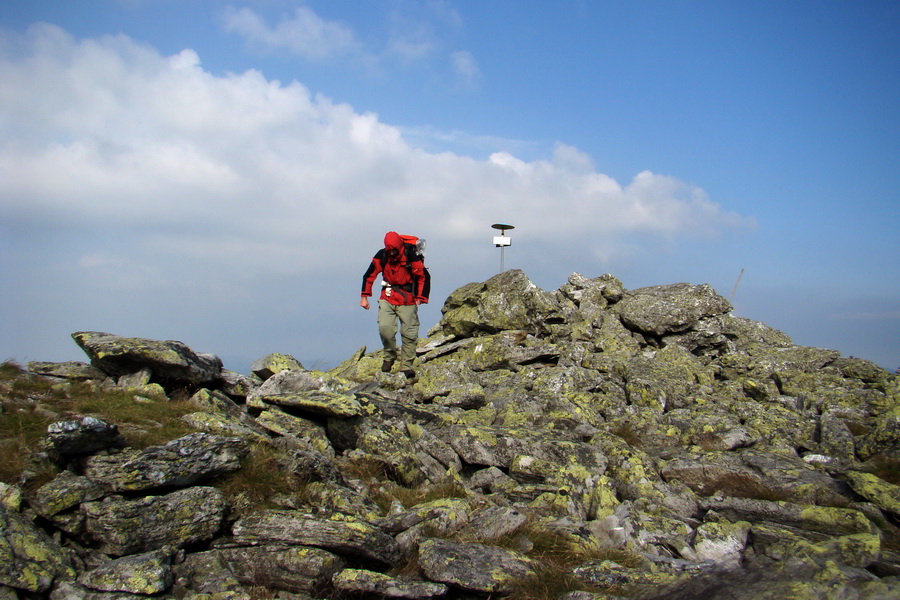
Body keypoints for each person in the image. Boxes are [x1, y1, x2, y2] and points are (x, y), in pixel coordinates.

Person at [360, 231, 428, 378]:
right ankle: (389, 357)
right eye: (388, 250)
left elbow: (423, 276)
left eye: (394, 250)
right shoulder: (382, 255)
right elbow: (369, 276)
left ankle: (406, 367)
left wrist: (421, 297)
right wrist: (364, 297)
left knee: (409, 334)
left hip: (408, 299)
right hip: (387, 297)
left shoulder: (411, 255)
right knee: (386, 330)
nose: (391, 253)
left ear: (399, 247)